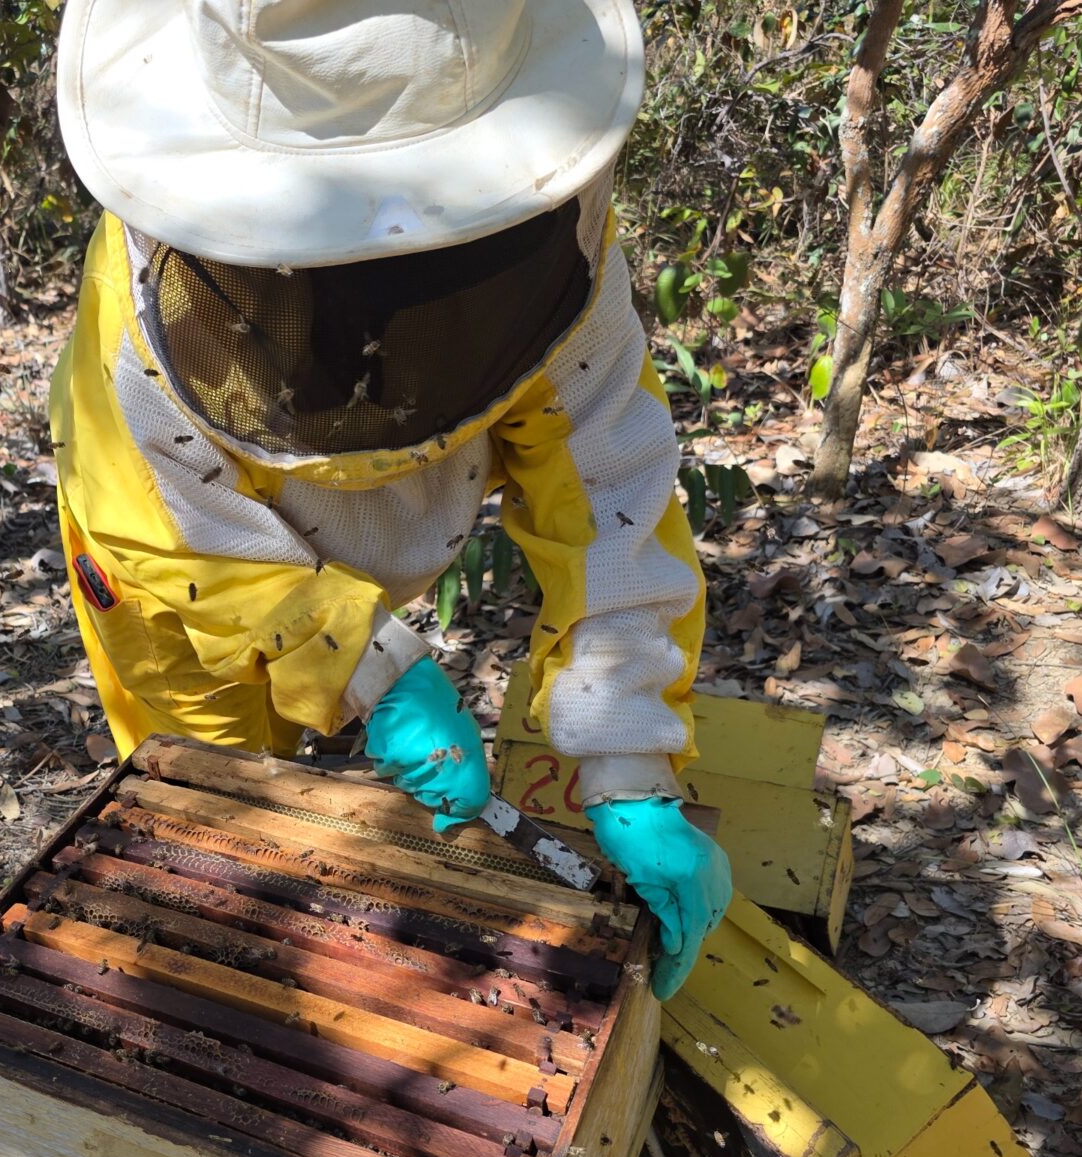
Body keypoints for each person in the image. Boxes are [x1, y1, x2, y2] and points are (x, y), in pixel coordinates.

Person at [45, 0, 731, 998]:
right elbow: (178, 542)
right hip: (186, 592)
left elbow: (610, 492)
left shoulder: (553, 250)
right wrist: (369, 663)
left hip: (384, 530)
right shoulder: (141, 334)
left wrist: (629, 759)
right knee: (214, 824)